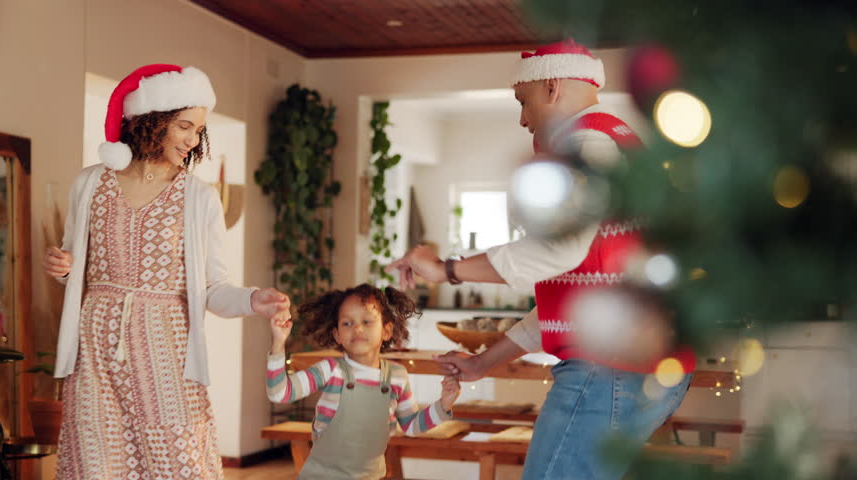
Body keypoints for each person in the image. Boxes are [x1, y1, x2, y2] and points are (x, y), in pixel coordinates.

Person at [386, 39, 695, 480]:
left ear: (551, 86)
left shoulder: (585, 143)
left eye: (522, 100)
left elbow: (555, 250)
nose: (522, 118)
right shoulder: (614, 139)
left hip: (607, 368)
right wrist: (482, 363)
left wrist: (446, 269)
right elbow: (569, 290)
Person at [42, 64, 291, 480]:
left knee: (178, 460)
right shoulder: (89, 183)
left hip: (166, 348)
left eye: (198, 130)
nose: (193, 139)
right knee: (97, 461)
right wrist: (63, 267)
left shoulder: (199, 197)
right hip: (96, 346)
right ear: (150, 121)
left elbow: (213, 287)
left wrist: (251, 299)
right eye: (183, 126)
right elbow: (75, 263)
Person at [267, 284, 460, 479]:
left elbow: (411, 426)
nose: (357, 328)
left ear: (387, 331)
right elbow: (279, 392)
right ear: (337, 335)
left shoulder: (397, 376)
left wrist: (444, 403)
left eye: (367, 321)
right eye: (347, 323)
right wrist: (278, 343)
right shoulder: (331, 370)